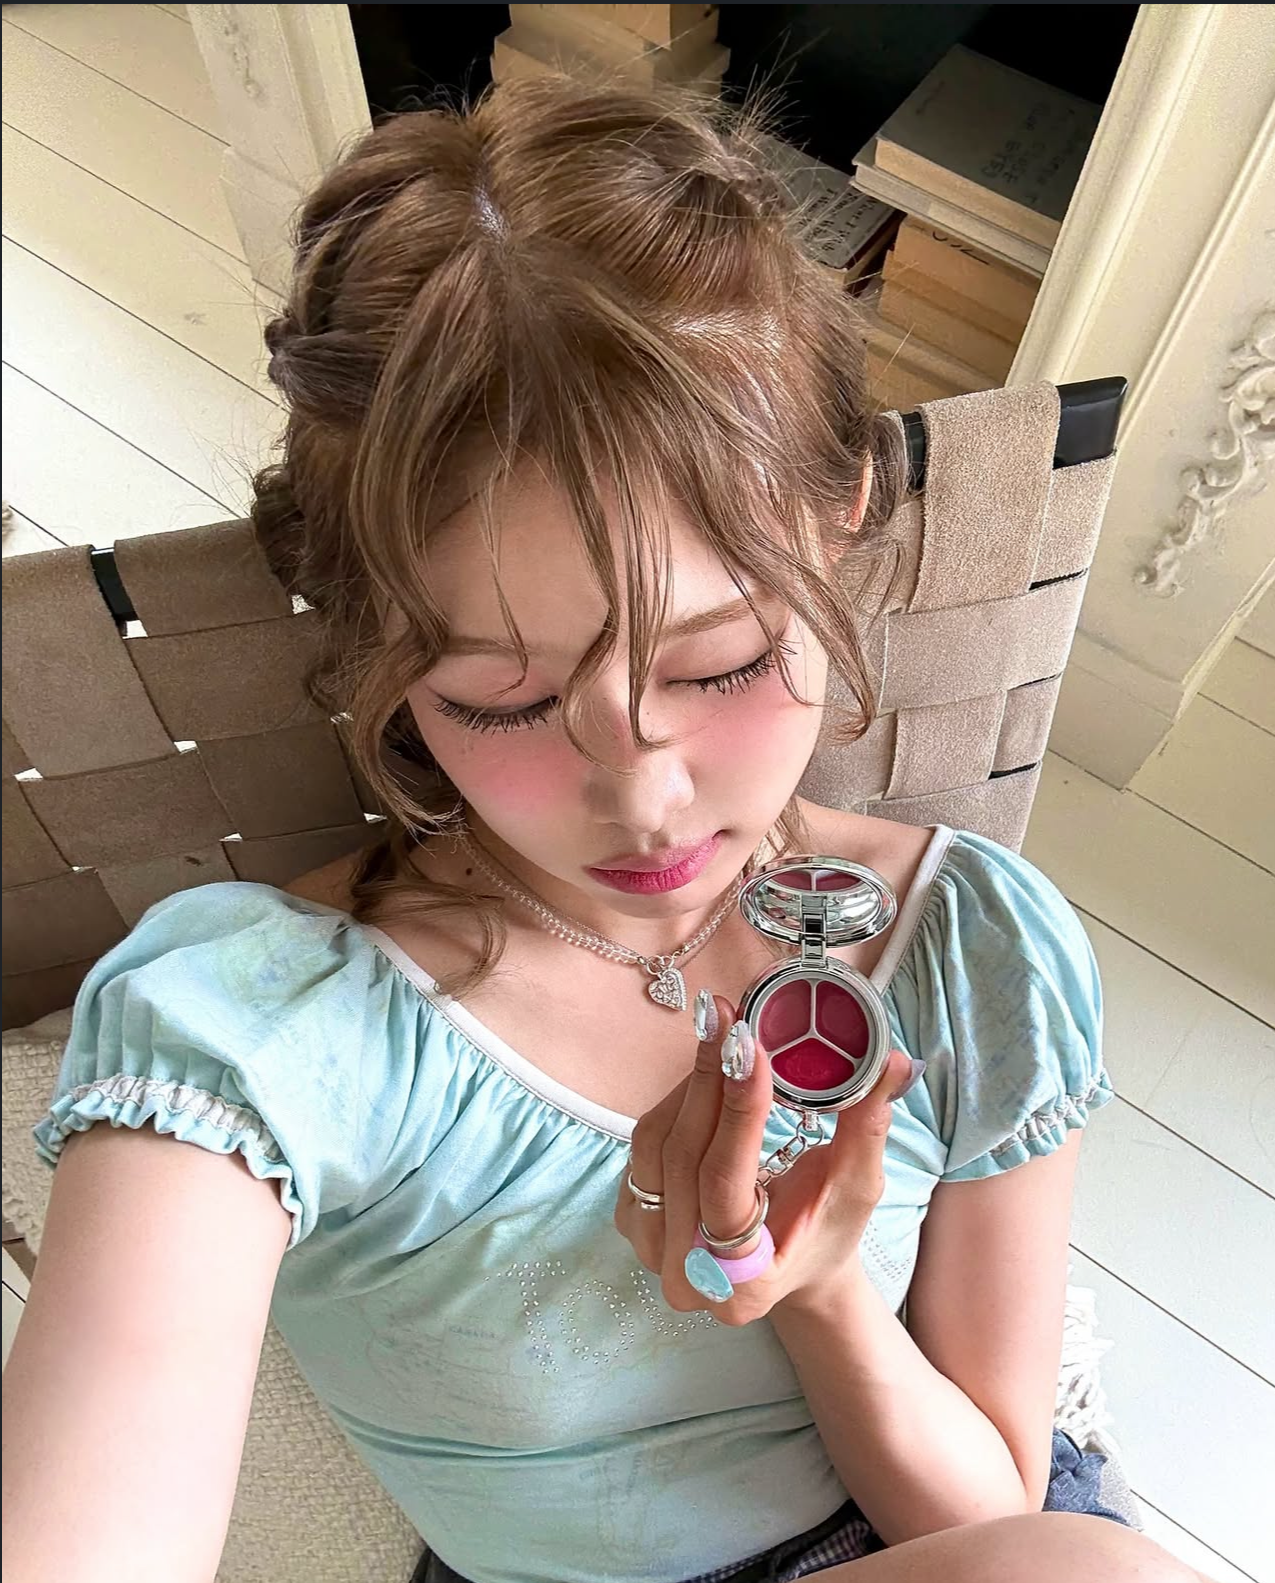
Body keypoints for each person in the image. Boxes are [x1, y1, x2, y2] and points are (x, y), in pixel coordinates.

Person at [2, 77, 1213, 1583]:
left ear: (841, 509)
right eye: (503, 701)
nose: (644, 803)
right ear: (383, 647)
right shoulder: (269, 1027)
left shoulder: (970, 944)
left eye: (721, 665)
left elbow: (993, 1513)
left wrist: (816, 1291)